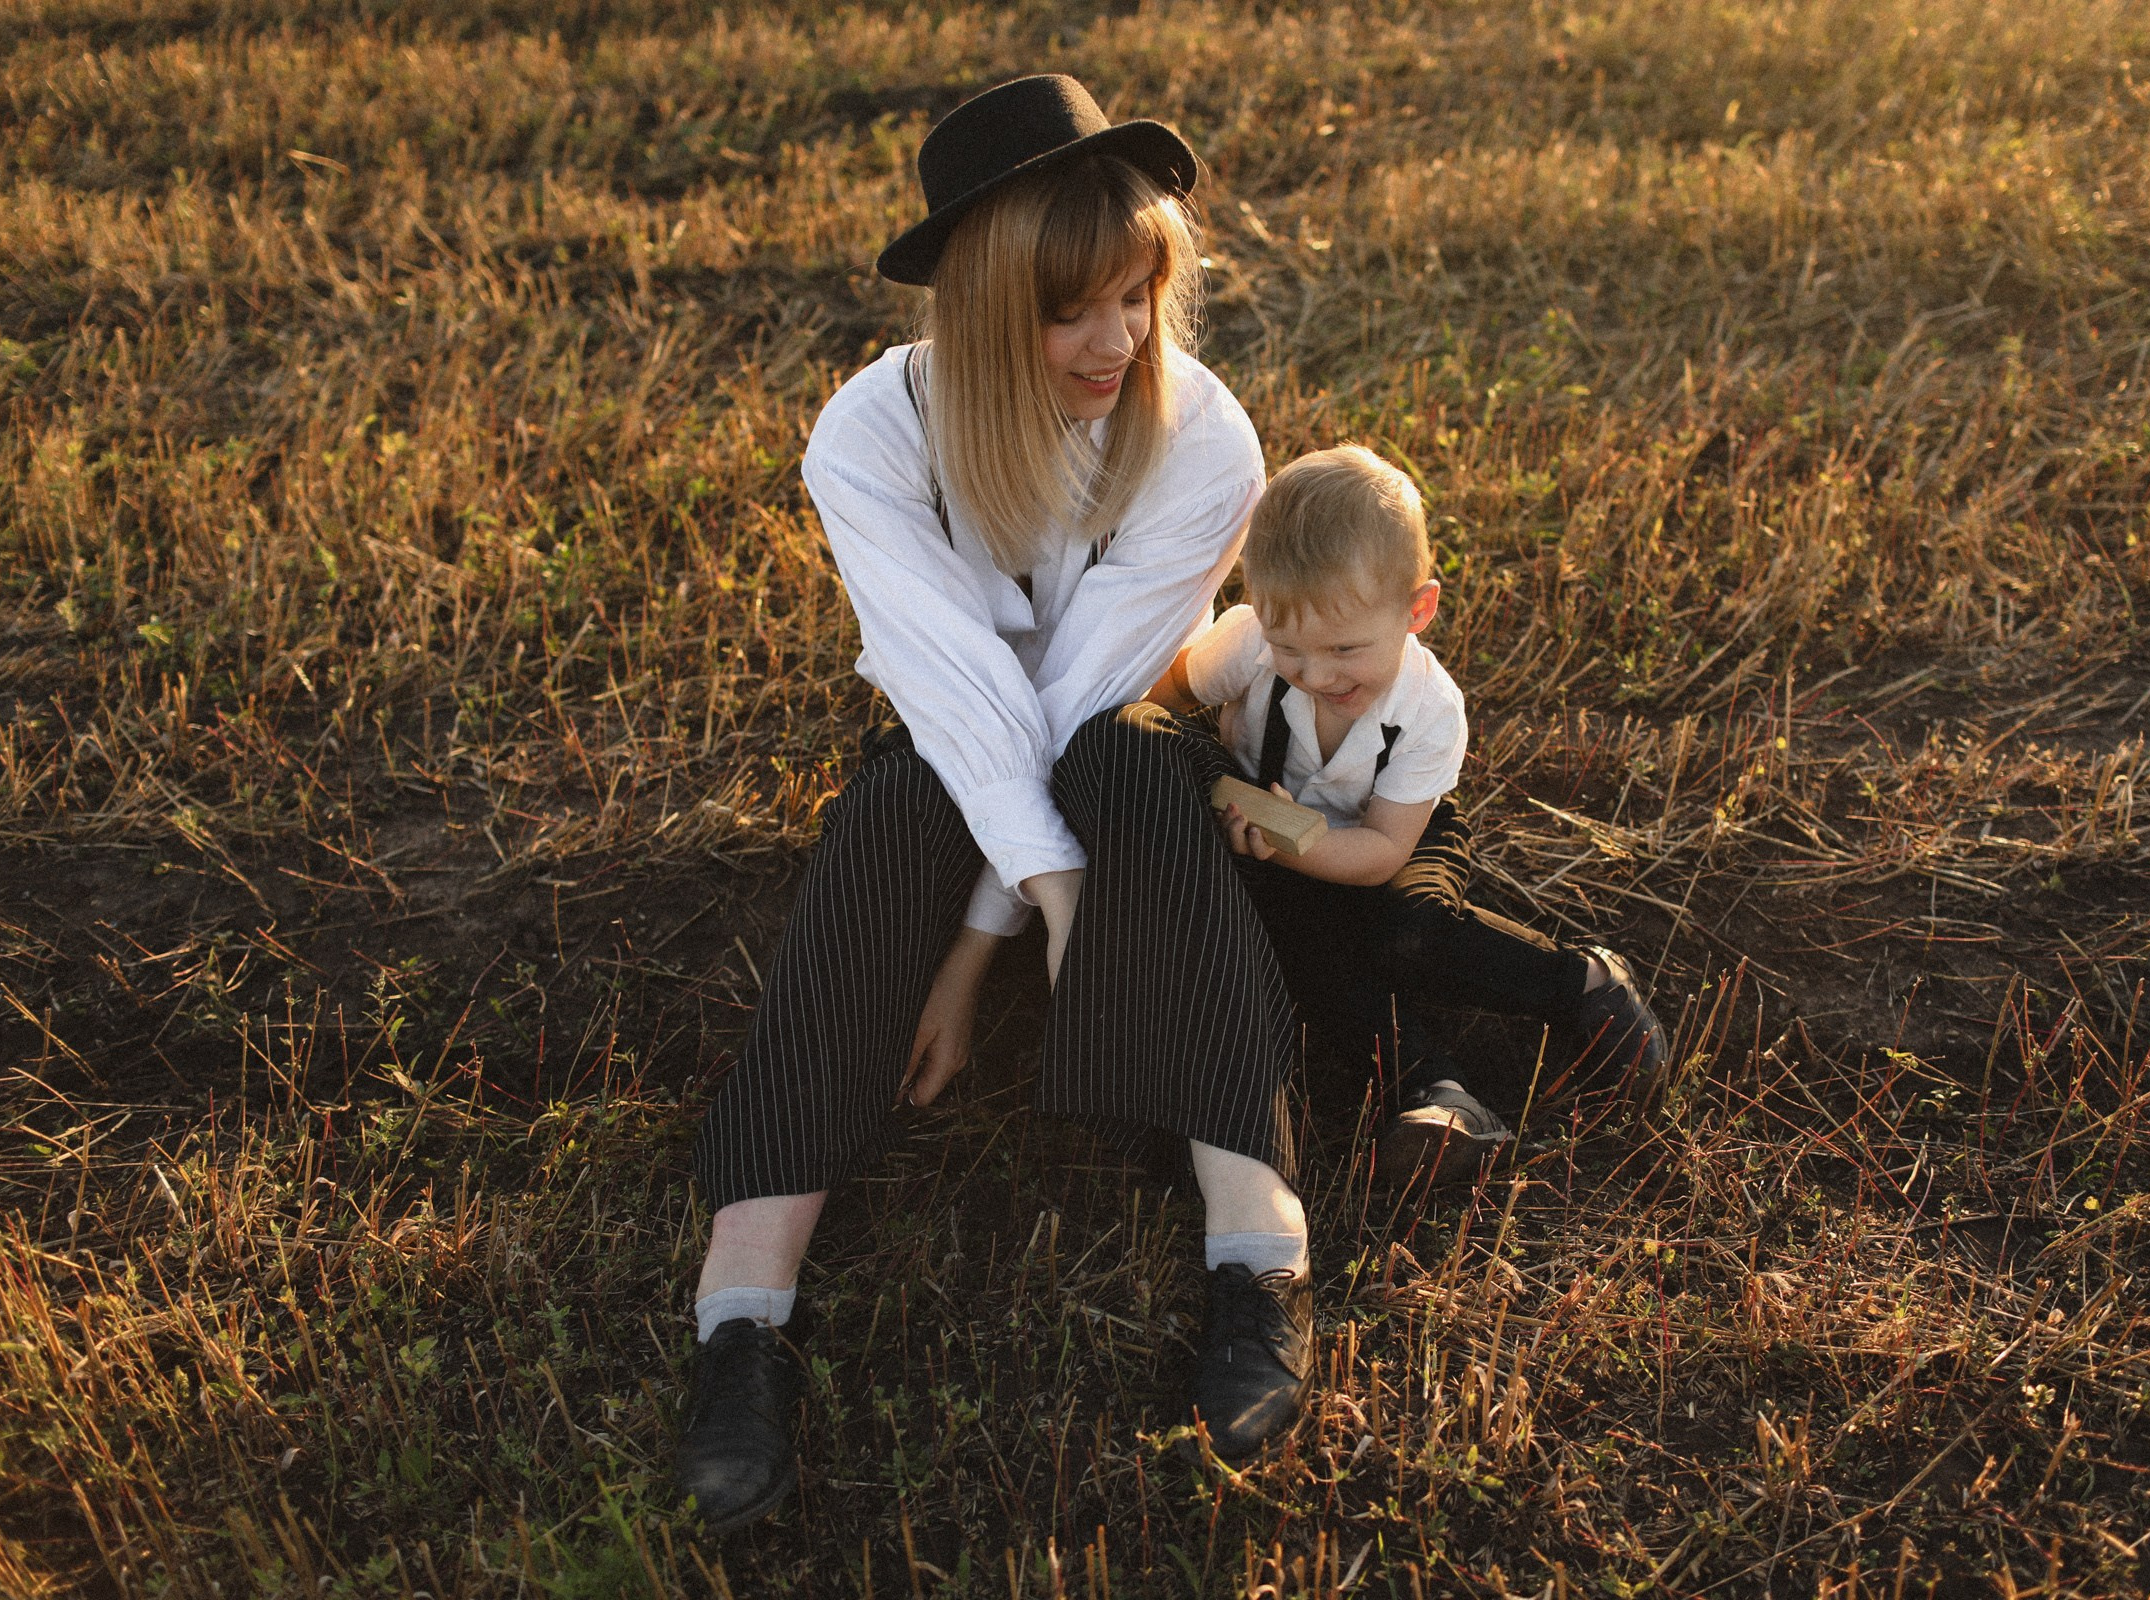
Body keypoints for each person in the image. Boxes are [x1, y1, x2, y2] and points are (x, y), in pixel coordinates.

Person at [674, 75, 1317, 1531]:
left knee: (1127, 765)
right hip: (950, 751)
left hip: (1116, 749)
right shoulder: (870, 434)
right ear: (976, 306)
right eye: (1068, 310)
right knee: (902, 796)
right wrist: (1041, 900)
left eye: (1138, 294)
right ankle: (741, 1320)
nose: (1119, 341)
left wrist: (989, 934)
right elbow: (956, 691)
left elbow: (1084, 697)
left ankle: (1260, 1250)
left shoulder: (1204, 436)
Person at [1148, 445, 1669, 1183]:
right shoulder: (1248, 642)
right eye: (1288, 647)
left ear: (1417, 610)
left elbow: (1383, 852)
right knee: (1308, 950)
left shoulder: (1428, 711)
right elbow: (1164, 698)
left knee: (1408, 929)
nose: (1316, 674)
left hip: (1396, 831)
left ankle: (1579, 982)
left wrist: (1293, 844)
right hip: (1273, 833)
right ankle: (1438, 1093)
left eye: (1345, 648)